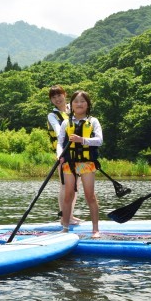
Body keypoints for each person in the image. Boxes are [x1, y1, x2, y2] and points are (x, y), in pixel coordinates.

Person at [58, 90, 103, 237]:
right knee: (68, 195)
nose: (79, 104)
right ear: (71, 105)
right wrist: (60, 155)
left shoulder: (93, 121)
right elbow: (60, 143)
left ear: (88, 104)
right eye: (76, 101)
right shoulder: (66, 123)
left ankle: (95, 230)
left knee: (90, 196)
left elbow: (99, 140)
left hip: (86, 163)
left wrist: (82, 140)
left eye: (82, 101)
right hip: (70, 163)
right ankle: (65, 228)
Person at [46, 85, 80, 224]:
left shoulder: (74, 109)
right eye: (53, 97)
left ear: (64, 95)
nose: (57, 99)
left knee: (75, 186)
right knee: (65, 185)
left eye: (59, 95)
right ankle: (64, 217)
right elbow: (58, 131)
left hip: (77, 152)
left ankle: (70, 215)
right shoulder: (52, 115)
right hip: (63, 153)